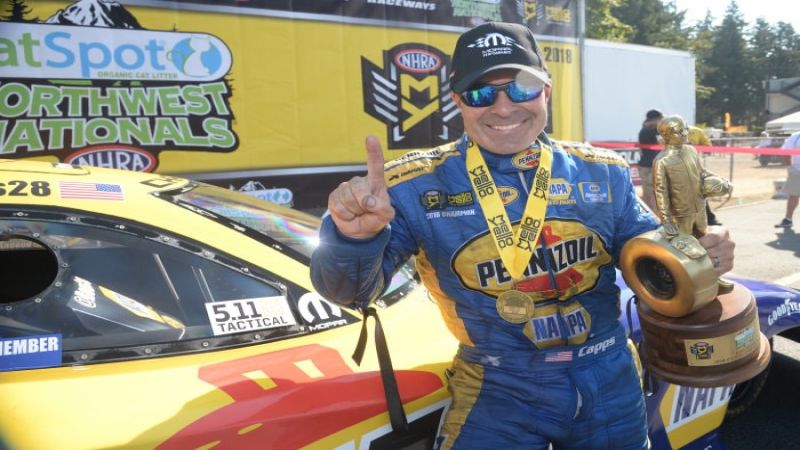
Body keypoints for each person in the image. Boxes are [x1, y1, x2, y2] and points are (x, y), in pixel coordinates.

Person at [311, 22, 735, 450]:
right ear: (458, 102)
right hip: (499, 384)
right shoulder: (414, 185)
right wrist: (352, 240)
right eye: (480, 93)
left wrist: (700, 256)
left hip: (609, 377)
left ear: (546, 91)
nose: (502, 107)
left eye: (521, 87)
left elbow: (656, 266)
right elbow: (349, 293)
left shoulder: (603, 172)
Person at [653, 115, 734, 293]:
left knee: (706, 245)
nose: (685, 133)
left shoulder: (690, 151)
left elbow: (702, 172)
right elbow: (661, 192)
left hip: (700, 208)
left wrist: (719, 182)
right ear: (666, 136)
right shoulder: (662, 161)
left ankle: (713, 279)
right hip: (680, 214)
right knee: (687, 253)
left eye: (685, 129)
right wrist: (666, 220)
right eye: (679, 131)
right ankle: (688, 288)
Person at [687, 124, 723, 226]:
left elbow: (708, 147)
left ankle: (710, 219)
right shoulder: (668, 133)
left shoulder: (696, 132)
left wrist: (715, 177)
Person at [637, 109, 663, 213]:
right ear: (654, 119)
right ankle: (653, 215)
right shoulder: (647, 130)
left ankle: (653, 214)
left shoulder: (648, 129)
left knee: (652, 192)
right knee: (651, 193)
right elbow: (662, 129)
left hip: (650, 165)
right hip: (648, 166)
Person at [775, 130, 800, 228]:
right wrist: (789, 167)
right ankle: (788, 220)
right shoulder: (796, 136)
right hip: (797, 171)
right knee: (793, 195)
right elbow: (785, 151)